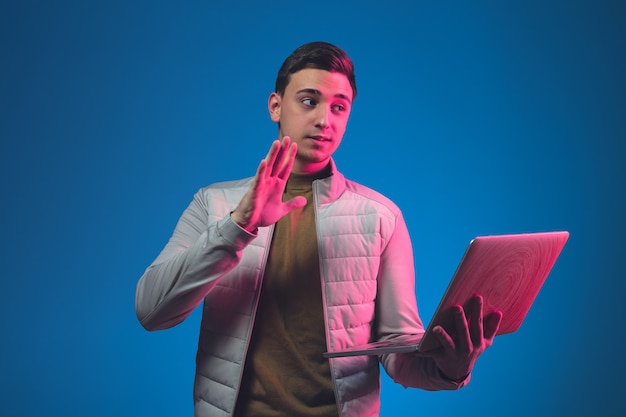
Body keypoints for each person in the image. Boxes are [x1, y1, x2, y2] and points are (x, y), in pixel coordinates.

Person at [135, 41, 502, 417]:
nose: (325, 120)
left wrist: (452, 368)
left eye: (339, 107)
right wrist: (238, 225)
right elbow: (151, 310)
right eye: (309, 101)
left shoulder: (381, 217)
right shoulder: (213, 204)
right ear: (275, 106)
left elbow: (396, 352)